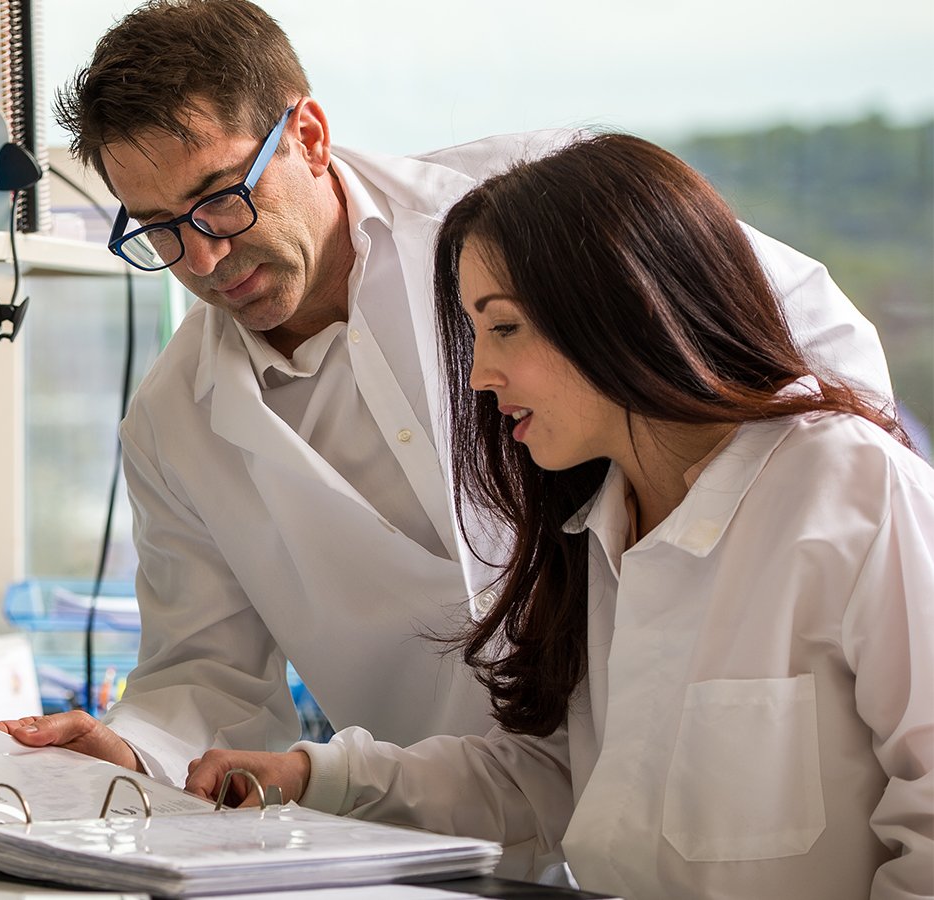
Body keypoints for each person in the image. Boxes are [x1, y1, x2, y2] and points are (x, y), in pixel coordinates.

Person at [0, 0, 892, 823]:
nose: (201, 258)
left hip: (718, 777)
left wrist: (717, 603)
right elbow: (208, 675)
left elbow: (800, 345)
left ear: (307, 133)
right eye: (156, 228)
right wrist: (137, 753)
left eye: (220, 200)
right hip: (460, 820)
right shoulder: (172, 426)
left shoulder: (526, 210)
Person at [180, 133, 933, 899]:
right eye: (473, 333)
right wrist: (317, 775)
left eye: (503, 327)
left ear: (622, 307)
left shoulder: (850, 491)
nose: (478, 374)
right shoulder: (600, 528)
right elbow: (559, 776)